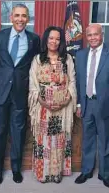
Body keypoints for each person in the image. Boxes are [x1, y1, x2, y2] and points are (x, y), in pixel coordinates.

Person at [0, 3, 40, 184]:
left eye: (24, 16)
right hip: (1, 92)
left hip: (21, 92)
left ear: (28, 19)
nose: (20, 19)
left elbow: (37, 62)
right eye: (17, 15)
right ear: (11, 17)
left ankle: (16, 168)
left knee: (18, 132)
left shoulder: (34, 39)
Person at [74, 24, 109, 189]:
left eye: (96, 34)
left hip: (106, 105)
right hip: (87, 103)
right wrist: (79, 104)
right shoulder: (80, 55)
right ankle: (86, 170)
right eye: (89, 35)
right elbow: (79, 82)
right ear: (86, 37)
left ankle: (105, 174)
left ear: (102, 35)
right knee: (87, 140)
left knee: (105, 140)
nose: (93, 38)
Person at [28, 26, 77, 183]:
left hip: (62, 109)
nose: (54, 41)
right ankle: (43, 173)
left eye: (57, 38)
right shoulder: (38, 59)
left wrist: (65, 100)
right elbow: (33, 84)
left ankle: (56, 173)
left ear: (61, 41)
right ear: (46, 40)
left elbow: (72, 81)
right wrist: (41, 100)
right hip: (43, 109)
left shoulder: (67, 59)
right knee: (44, 141)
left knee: (58, 140)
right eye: (51, 38)